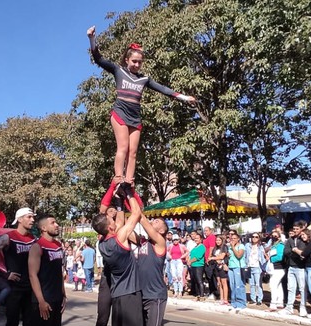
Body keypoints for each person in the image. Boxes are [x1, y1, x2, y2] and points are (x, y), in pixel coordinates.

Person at [87, 26, 196, 207]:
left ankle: (129, 180)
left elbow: (163, 89)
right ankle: (118, 177)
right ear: (127, 60)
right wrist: (92, 39)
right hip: (120, 114)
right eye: (134, 61)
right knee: (122, 147)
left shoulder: (144, 79)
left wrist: (184, 98)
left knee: (133, 152)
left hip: (135, 117)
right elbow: (98, 59)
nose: (137, 65)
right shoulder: (118, 71)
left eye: (140, 62)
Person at [92, 183, 150, 326]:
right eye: (111, 220)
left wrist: (116, 202)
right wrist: (127, 193)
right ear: (109, 227)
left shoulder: (102, 244)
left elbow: (118, 220)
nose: (114, 219)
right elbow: (136, 213)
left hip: (117, 295)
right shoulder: (119, 238)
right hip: (130, 294)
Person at [28, 214, 67, 326]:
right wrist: (41, 301)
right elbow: (32, 274)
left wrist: (63, 294)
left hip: (57, 299)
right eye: (53, 222)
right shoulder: (37, 247)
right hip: (43, 302)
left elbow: (59, 272)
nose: (57, 224)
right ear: (43, 228)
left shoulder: (57, 246)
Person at [138, 214, 171, 326]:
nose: (153, 221)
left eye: (157, 221)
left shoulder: (159, 241)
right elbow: (125, 228)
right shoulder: (143, 242)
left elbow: (141, 219)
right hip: (141, 295)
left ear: (163, 230)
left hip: (156, 297)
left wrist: (131, 193)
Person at [282, 221, 307, 316]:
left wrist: (295, 252)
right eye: (294, 229)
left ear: (301, 229)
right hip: (291, 267)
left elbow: (303, 253)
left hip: (300, 267)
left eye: (297, 229)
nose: (295, 231)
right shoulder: (290, 240)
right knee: (291, 288)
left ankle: (303, 307)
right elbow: (286, 252)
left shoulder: (303, 240)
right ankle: (289, 307)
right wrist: (295, 251)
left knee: (302, 288)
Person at [266, 230, 285, 311]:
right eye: (272, 236)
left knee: (272, 285)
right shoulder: (273, 246)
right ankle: (280, 302)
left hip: (279, 268)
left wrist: (271, 258)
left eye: (276, 236)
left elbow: (280, 257)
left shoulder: (281, 245)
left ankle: (273, 304)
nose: (274, 237)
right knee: (278, 286)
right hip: (273, 268)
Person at [227, 233, 247, 309]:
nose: (233, 240)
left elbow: (239, 255)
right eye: (232, 238)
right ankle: (233, 301)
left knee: (239, 285)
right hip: (231, 267)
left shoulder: (241, 246)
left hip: (238, 267)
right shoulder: (230, 247)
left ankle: (241, 302)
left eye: (235, 238)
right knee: (232, 285)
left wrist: (233, 247)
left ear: (238, 239)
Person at [245, 232, 265, 306]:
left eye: (256, 237)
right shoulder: (247, 245)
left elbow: (263, 258)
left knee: (258, 284)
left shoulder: (260, 247)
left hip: (257, 267)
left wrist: (264, 268)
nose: (254, 238)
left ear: (259, 238)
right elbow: (245, 256)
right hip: (249, 266)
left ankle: (259, 299)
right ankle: (253, 299)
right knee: (251, 284)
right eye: (253, 236)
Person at [208, 235, 229, 305]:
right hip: (216, 266)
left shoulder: (224, 247)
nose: (217, 242)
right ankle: (221, 298)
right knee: (219, 283)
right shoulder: (215, 248)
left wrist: (213, 258)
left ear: (222, 240)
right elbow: (211, 256)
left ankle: (226, 299)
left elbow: (222, 256)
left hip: (222, 266)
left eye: (219, 240)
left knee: (224, 283)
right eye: (216, 240)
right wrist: (214, 258)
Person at [187, 232, 206, 301]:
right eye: (195, 238)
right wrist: (188, 259)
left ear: (201, 239)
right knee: (195, 280)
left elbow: (198, 256)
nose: (196, 239)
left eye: (197, 238)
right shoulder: (195, 247)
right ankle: (197, 294)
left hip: (199, 265)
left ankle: (201, 295)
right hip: (193, 265)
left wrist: (190, 261)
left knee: (199, 280)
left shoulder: (202, 247)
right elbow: (191, 254)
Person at [202, 226, 217, 300]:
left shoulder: (212, 237)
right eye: (204, 231)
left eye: (207, 230)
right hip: (205, 259)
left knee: (211, 277)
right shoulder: (205, 238)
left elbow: (211, 247)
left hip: (210, 260)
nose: (205, 232)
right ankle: (211, 291)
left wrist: (209, 257)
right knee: (208, 277)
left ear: (210, 231)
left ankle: (213, 292)